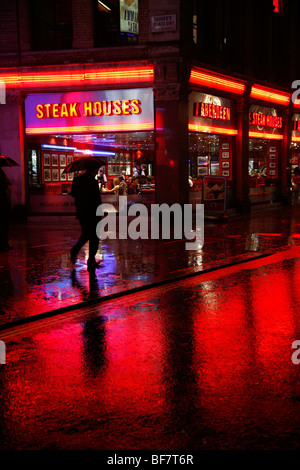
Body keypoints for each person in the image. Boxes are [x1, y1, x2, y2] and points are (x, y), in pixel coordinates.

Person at [70, 166, 102, 271]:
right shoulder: (93, 182)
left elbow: (73, 194)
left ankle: (76, 251)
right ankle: (90, 259)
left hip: (82, 212)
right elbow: (97, 199)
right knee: (94, 236)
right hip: (92, 212)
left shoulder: (77, 180)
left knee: (86, 233)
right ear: (93, 170)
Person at [0, 167, 12, 252]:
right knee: (4, 225)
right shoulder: (1, 175)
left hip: (2, 204)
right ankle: (4, 244)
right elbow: (6, 191)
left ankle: (4, 244)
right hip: (2, 204)